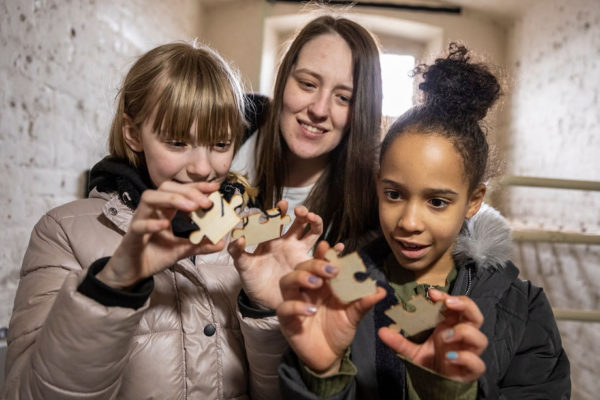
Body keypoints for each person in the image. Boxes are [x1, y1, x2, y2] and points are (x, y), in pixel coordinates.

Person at [1, 42, 324, 400]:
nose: (203, 167)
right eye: (176, 142)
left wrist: (264, 310)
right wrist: (114, 284)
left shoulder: (254, 231)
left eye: (220, 144)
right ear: (133, 134)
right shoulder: (62, 232)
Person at [276, 43, 571, 399]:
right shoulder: (343, 290)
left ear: (473, 202)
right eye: (395, 195)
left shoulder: (521, 309)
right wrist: (323, 375)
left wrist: (453, 393)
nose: (409, 222)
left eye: (437, 201)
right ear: (377, 185)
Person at [232, 14, 383, 253]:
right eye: (307, 84)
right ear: (283, 79)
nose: (319, 110)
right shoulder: (233, 122)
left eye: (343, 98)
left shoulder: (368, 210)